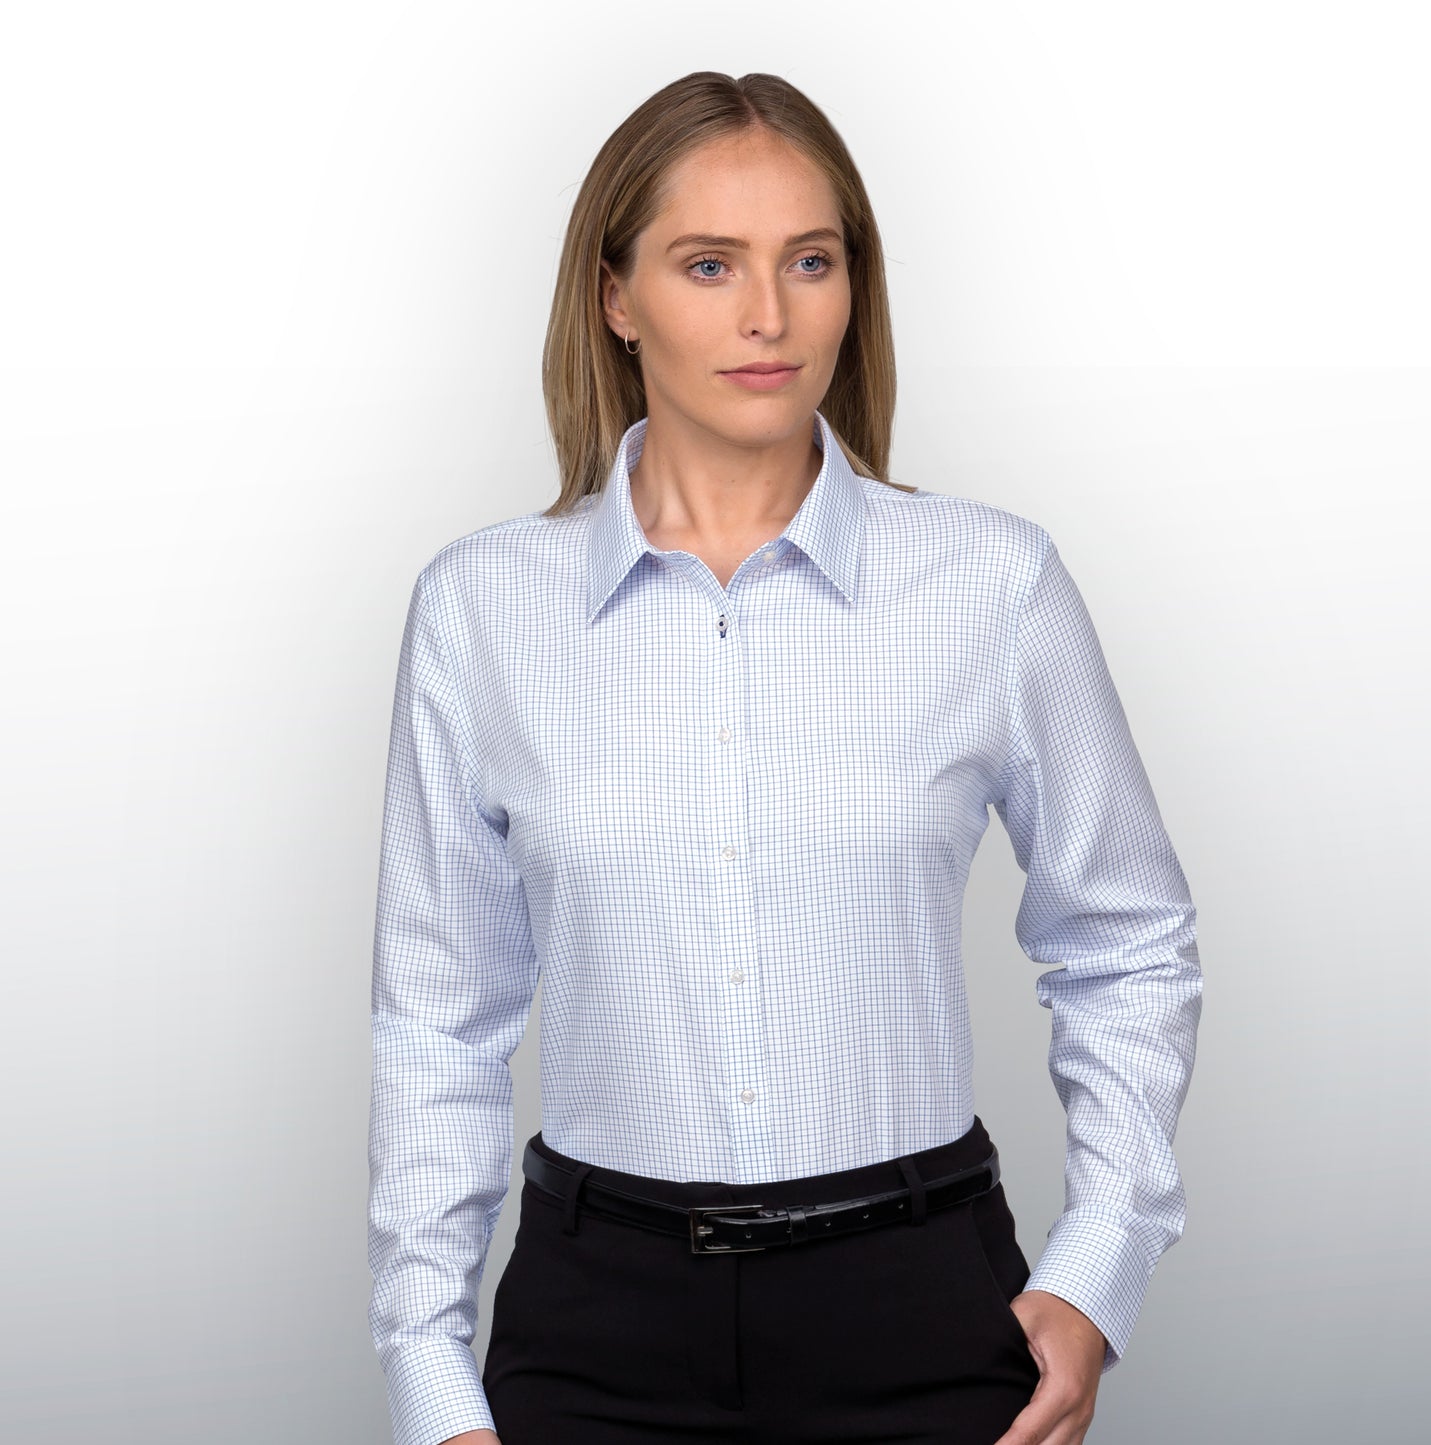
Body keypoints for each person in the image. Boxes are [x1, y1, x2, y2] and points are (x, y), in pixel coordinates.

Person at [367, 71, 1202, 1445]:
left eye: (810, 261)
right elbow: (437, 1016)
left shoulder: (990, 585)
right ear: (616, 296)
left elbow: (1127, 939)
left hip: (920, 1310)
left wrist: (1096, 1264)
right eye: (710, 265)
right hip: (595, 1327)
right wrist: (428, 1374)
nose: (769, 315)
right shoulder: (481, 609)